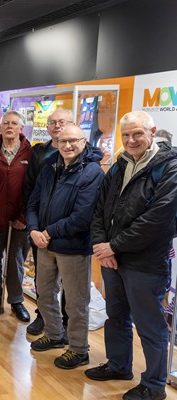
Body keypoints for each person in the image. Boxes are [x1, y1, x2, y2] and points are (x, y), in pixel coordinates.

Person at [86, 111, 177, 400]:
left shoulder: (170, 167)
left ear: (153, 131)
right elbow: (100, 208)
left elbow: (159, 219)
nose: (131, 139)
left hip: (145, 263)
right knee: (117, 317)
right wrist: (103, 245)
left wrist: (114, 246)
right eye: (126, 135)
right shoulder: (119, 165)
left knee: (150, 327)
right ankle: (118, 365)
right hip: (113, 259)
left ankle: (154, 385)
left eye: (137, 133)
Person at [26, 124, 104, 369]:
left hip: (73, 246)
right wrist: (33, 230)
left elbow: (82, 216)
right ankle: (54, 334)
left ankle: (79, 349)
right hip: (44, 243)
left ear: (84, 141)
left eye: (73, 140)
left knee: (75, 300)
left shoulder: (93, 172)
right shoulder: (50, 167)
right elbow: (33, 202)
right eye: (62, 141)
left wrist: (48, 232)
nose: (68, 145)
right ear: (56, 143)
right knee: (45, 293)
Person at [23, 108, 75, 335]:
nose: (56, 126)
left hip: (70, 232)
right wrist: (33, 226)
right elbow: (30, 190)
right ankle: (43, 316)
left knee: (70, 285)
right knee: (43, 280)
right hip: (41, 232)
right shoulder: (40, 153)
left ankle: (65, 322)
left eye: (62, 122)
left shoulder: (86, 156)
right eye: (52, 122)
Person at [0, 111, 33, 322]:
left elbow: (35, 189)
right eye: (6, 123)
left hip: (20, 222)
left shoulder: (31, 155)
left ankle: (16, 300)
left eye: (14, 123)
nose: (10, 126)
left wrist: (24, 217)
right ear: (0, 127)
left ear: (21, 128)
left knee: (15, 262)